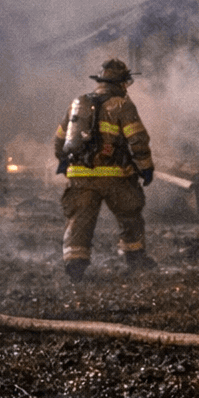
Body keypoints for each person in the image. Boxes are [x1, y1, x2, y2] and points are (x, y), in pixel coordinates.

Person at [53, 58, 155, 280]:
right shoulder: (122, 105)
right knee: (130, 215)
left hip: (80, 175)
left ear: (100, 81)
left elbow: (60, 138)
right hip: (115, 176)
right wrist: (146, 167)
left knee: (79, 221)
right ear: (122, 83)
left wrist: (63, 161)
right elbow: (137, 139)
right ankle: (135, 259)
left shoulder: (78, 103)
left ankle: (75, 266)